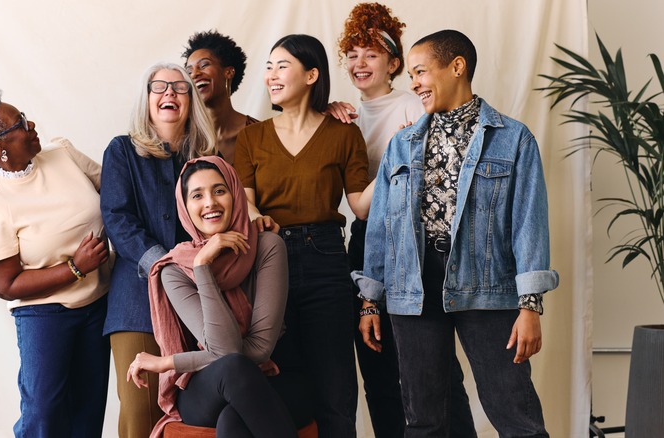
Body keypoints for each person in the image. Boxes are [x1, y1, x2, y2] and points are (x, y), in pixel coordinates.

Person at [354, 29, 559, 437]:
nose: (414, 83)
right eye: (411, 74)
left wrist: (530, 305)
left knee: (516, 416)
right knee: (425, 420)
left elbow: (528, 224)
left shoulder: (513, 139)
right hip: (412, 287)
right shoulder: (401, 144)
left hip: (486, 282)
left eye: (421, 72)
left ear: (457, 67)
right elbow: (381, 227)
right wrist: (370, 301)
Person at [331, 4, 475, 437]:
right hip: (366, 240)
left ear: (394, 63)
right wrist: (328, 114)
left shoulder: (418, 103)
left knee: (434, 368)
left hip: (412, 241)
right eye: (352, 54)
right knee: (376, 366)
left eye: (371, 54)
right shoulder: (344, 116)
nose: (360, 63)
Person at [0, 87, 111, 437]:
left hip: (98, 305)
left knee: (87, 412)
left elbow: (116, 194)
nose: (32, 124)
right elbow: (5, 285)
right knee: (44, 415)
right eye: (20, 123)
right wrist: (75, 268)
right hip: (45, 315)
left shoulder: (63, 156)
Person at [234, 33, 370, 438]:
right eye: (269, 67)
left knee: (335, 385)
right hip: (268, 258)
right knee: (280, 378)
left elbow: (361, 205)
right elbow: (244, 201)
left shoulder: (344, 133)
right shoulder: (251, 137)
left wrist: (402, 150)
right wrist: (258, 216)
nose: (271, 76)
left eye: (282, 66)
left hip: (326, 257)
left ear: (312, 74)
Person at [128, 156, 298, 438]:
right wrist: (202, 266)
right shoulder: (175, 269)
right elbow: (227, 354)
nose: (210, 203)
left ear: (235, 194)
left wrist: (168, 363)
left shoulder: (267, 246)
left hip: (271, 376)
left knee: (233, 421)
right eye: (197, 195)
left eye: (219, 191)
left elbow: (258, 349)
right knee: (233, 369)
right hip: (204, 388)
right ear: (185, 207)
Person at [100, 62, 215, 437]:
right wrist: (163, 263)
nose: (169, 93)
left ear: (191, 100)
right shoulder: (122, 151)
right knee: (139, 414)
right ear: (147, 98)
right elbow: (116, 218)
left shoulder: (206, 160)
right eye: (159, 86)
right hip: (135, 303)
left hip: (198, 298)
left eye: (180, 88)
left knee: (192, 416)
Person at [183, 30, 258, 164]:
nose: (194, 74)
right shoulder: (183, 136)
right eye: (189, 71)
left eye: (204, 65)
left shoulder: (259, 132)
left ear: (228, 72)